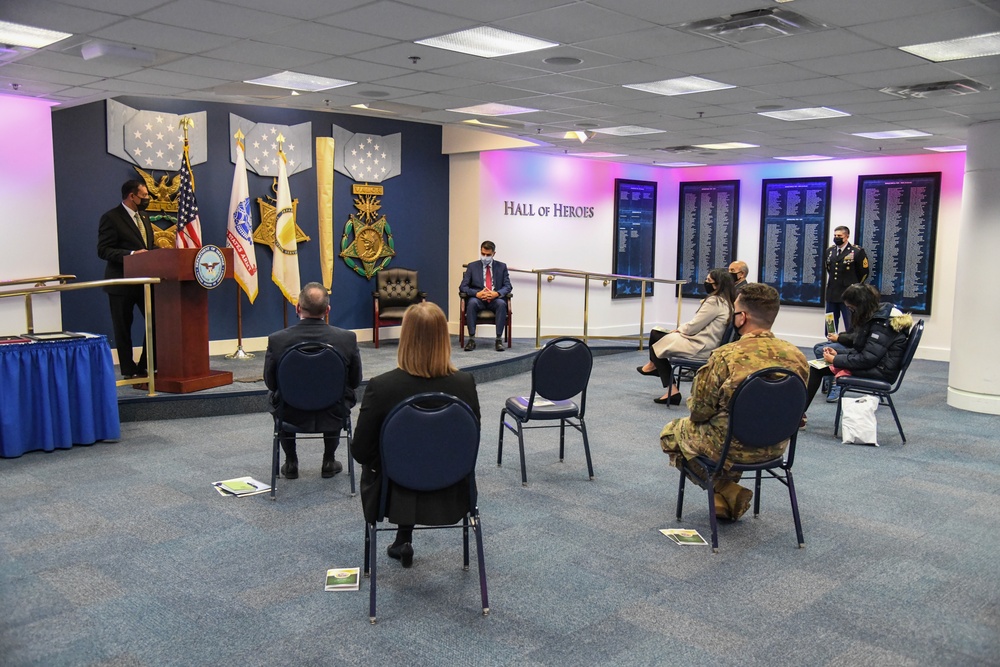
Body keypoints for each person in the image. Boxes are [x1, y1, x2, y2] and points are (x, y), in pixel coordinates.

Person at [659, 283, 808, 520]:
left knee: (671, 433)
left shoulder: (725, 356)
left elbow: (699, 411)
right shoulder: (797, 356)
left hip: (731, 449)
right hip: (777, 447)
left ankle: (726, 489)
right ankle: (725, 494)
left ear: (742, 317)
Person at [353, 302, 481, 569]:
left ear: (405, 337)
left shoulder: (382, 387)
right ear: (443, 338)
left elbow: (361, 451)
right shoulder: (465, 384)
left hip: (392, 492)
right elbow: (471, 443)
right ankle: (403, 537)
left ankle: (403, 536)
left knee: (394, 460)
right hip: (452, 487)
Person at [263, 282, 362, 480]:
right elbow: (355, 381)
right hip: (333, 412)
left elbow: (270, 383)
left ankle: (290, 462)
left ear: (298, 308)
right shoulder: (347, 339)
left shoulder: (278, 340)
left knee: (274, 396)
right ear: (328, 310)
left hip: (290, 413)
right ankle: (329, 460)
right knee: (339, 394)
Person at [803, 283, 912, 416]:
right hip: (877, 365)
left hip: (880, 371)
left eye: (851, 308)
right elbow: (863, 349)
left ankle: (797, 416)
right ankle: (799, 414)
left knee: (816, 369)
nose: (851, 312)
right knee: (816, 366)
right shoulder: (879, 316)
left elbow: (867, 359)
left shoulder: (882, 325)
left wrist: (836, 359)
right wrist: (838, 354)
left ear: (861, 305)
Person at [638, 268, 735, 405]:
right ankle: (654, 367)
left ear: (717, 285)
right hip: (707, 343)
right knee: (659, 341)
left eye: (708, 280)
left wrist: (678, 330)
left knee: (656, 338)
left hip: (700, 346)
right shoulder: (728, 302)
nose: (705, 282)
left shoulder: (714, 301)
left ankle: (667, 384)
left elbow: (694, 326)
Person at [97, 179, 157, 379]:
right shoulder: (111, 218)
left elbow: (148, 247)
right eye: (144, 196)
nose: (147, 199)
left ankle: (146, 365)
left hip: (145, 282)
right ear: (132, 196)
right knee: (123, 328)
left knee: (157, 321)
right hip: (121, 283)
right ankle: (128, 370)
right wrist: (131, 254)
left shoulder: (145, 217)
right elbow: (104, 250)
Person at [460, 240, 512, 352]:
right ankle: (471, 339)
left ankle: (498, 340)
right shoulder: (472, 266)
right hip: (478, 299)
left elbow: (508, 286)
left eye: (488, 255)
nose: (485, 257)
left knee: (502, 304)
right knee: (471, 303)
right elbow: (463, 287)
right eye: (483, 254)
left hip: (494, 299)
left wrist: (496, 293)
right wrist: (476, 294)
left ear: (494, 253)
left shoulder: (502, 267)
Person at [824, 226, 869, 333]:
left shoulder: (857, 251)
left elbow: (864, 273)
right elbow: (829, 269)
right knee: (830, 324)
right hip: (832, 293)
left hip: (849, 295)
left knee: (850, 324)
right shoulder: (830, 251)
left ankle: (849, 344)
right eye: (835, 235)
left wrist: (855, 288)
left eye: (839, 236)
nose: (836, 238)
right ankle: (829, 342)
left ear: (847, 236)